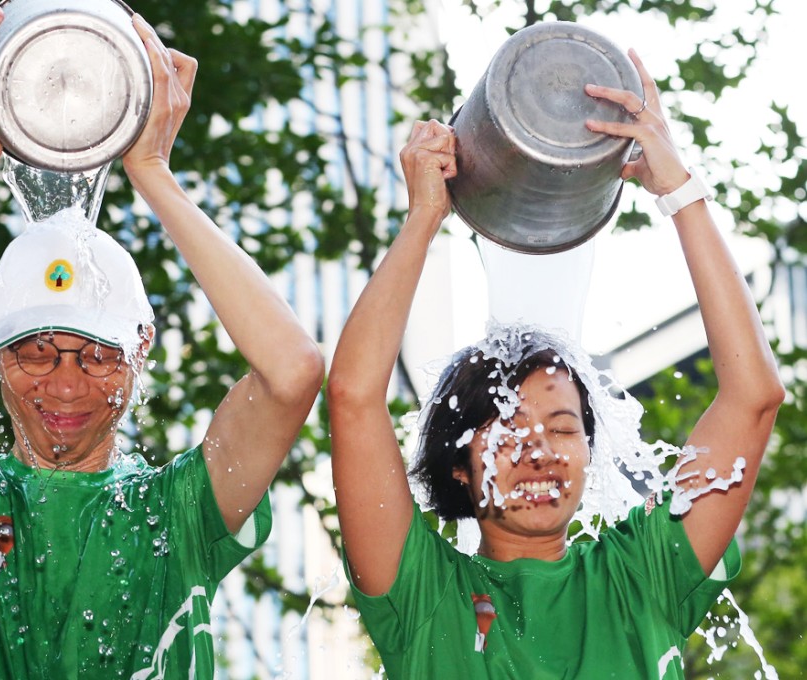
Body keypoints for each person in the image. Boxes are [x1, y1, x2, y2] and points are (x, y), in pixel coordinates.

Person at [0, 8, 324, 679]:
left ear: (141, 357)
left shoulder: (179, 512)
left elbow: (292, 373)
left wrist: (153, 171)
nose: (67, 385)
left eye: (100, 355)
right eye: (36, 352)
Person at [326, 48, 785, 678]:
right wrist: (422, 220)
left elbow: (752, 398)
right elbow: (353, 396)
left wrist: (678, 189)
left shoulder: (642, 576)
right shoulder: (423, 594)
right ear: (459, 468)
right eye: (508, 429)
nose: (539, 450)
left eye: (564, 428)